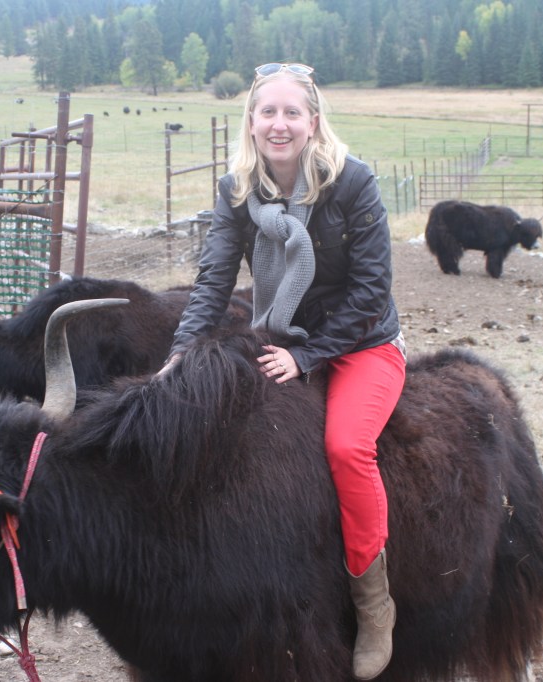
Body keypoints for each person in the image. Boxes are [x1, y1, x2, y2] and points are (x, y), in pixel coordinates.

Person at [159, 62, 406, 679]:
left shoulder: (352, 182)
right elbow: (214, 280)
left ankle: (373, 604)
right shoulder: (237, 191)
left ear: (313, 122)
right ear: (251, 121)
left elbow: (372, 290)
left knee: (347, 448)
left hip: (362, 343)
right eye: (267, 111)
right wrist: (181, 353)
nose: (279, 124)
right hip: (278, 333)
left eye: (292, 112)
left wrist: (308, 356)